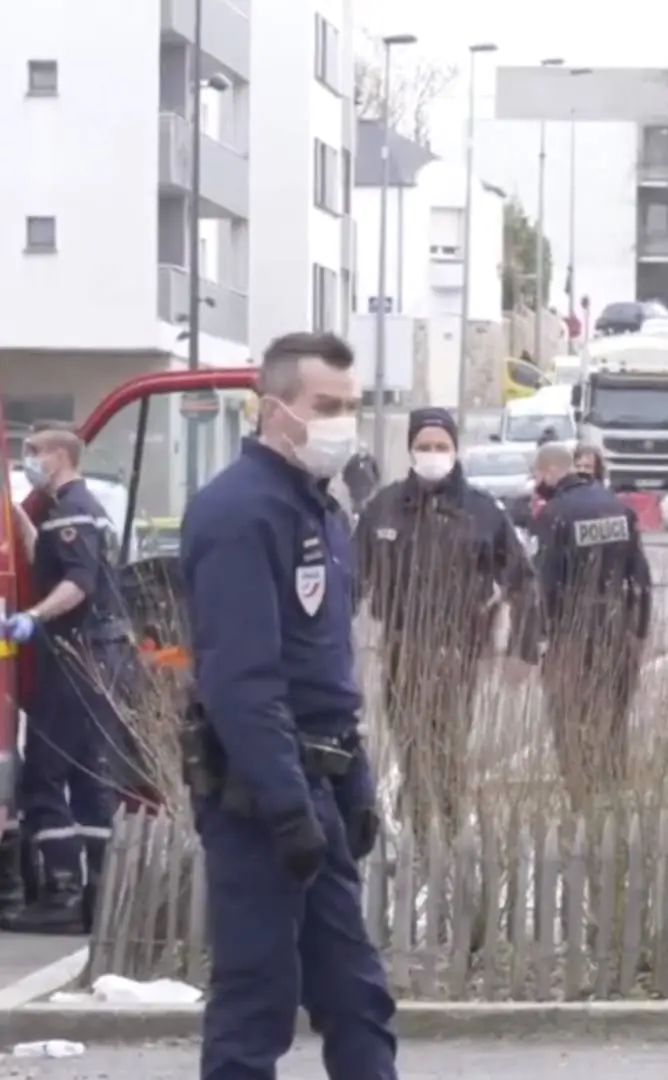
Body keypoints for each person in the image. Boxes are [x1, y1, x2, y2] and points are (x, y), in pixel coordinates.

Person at [178, 331, 397, 1080]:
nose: (341, 422)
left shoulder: (318, 511)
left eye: (350, 406)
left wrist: (355, 780)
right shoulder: (240, 513)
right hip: (259, 795)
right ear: (274, 410)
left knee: (356, 994)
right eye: (324, 407)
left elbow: (324, 670)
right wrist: (284, 806)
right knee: (256, 1002)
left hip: (321, 781)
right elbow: (241, 681)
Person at [354, 407, 535, 840]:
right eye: (424, 446)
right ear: (411, 450)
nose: (432, 454)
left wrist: (522, 649)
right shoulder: (385, 508)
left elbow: (522, 581)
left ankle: (448, 833)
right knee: (409, 743)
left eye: (441, 447)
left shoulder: (482, 512)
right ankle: (419, 828)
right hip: (401, 647)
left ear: (455, 451)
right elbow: (351, 578)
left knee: (447, 744)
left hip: (458, 652)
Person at [0, 422, 138, 934]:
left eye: (34, 452)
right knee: (87, 778)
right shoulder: (73, 511)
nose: (28, 460)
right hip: (98, 659)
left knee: (44, 776)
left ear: (59, 456)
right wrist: (15, 516)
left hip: (77, 657)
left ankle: (60, 892)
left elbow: (78, 583)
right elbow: (52, 556)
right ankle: (98, 897)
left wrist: (33, 616)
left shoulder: (74, 510)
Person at [529, 442, 653, 809]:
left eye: (538, 475)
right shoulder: (618, 508)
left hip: (572, 636)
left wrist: (541, 637)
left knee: (571, 722)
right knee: (613, 722)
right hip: (617, 632)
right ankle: (613, 798)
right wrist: (639, 631)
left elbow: (545, 582)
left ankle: (581, 801)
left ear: (551, 471)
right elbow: (641, 578)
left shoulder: (554, 514)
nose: (537, 483)